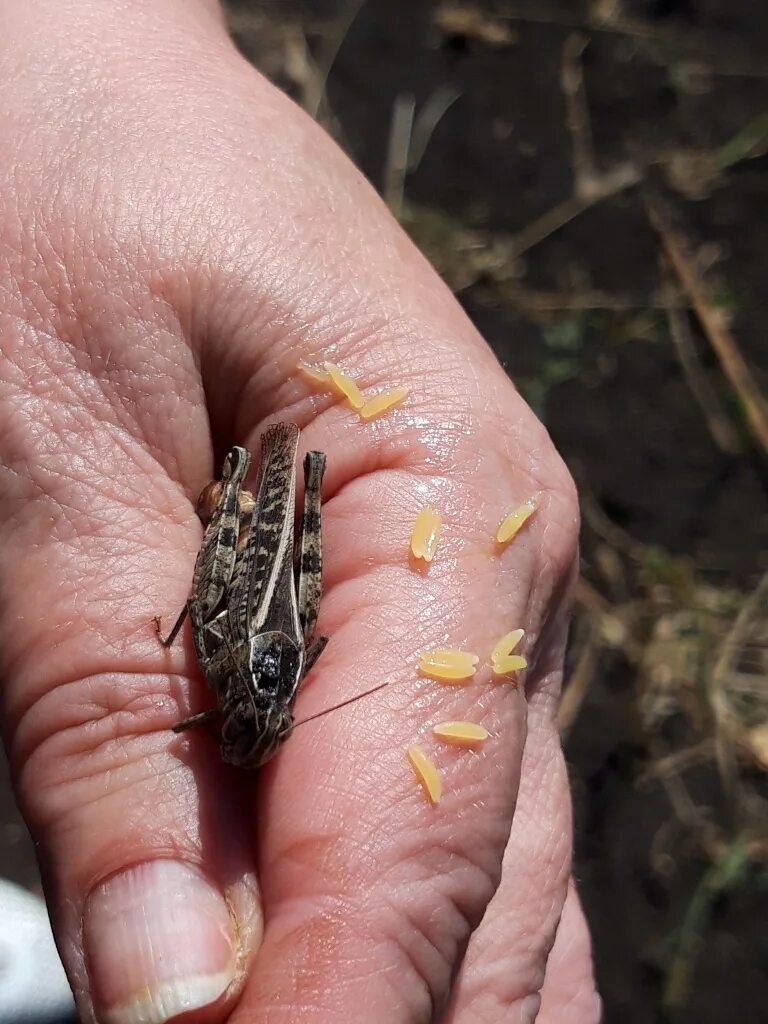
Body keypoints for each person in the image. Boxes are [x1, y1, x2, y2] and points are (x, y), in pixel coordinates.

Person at [0, 1, 600, 1021]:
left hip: (280, 579)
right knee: (241, 545)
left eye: (261, 722)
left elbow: (297, 654)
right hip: (251, 559)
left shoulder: (264, 696)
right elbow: (219, 596)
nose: (253, 726)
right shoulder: (232, 661)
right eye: (252, 717)